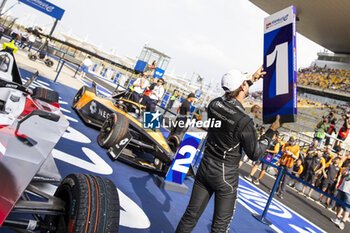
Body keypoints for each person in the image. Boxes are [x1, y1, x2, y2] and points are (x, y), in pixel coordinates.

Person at [176, 67, 282, 232]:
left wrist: (251, 79)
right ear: (242, 87)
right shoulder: (244, 120)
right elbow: (255, 154)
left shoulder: (214, 104)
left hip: (205, 167)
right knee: (219, 227)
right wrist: (272, 130)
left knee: (190, 216)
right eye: (245, 83)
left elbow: (224, 101)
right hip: (225, 175)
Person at [331, 162, 350, 230]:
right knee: (339, 205)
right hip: (342, 188)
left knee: (347, 208)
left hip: (348, 192)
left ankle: (343, 222)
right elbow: (343, 173)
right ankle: (337, 218)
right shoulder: (347, 169)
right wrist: (348, 167)